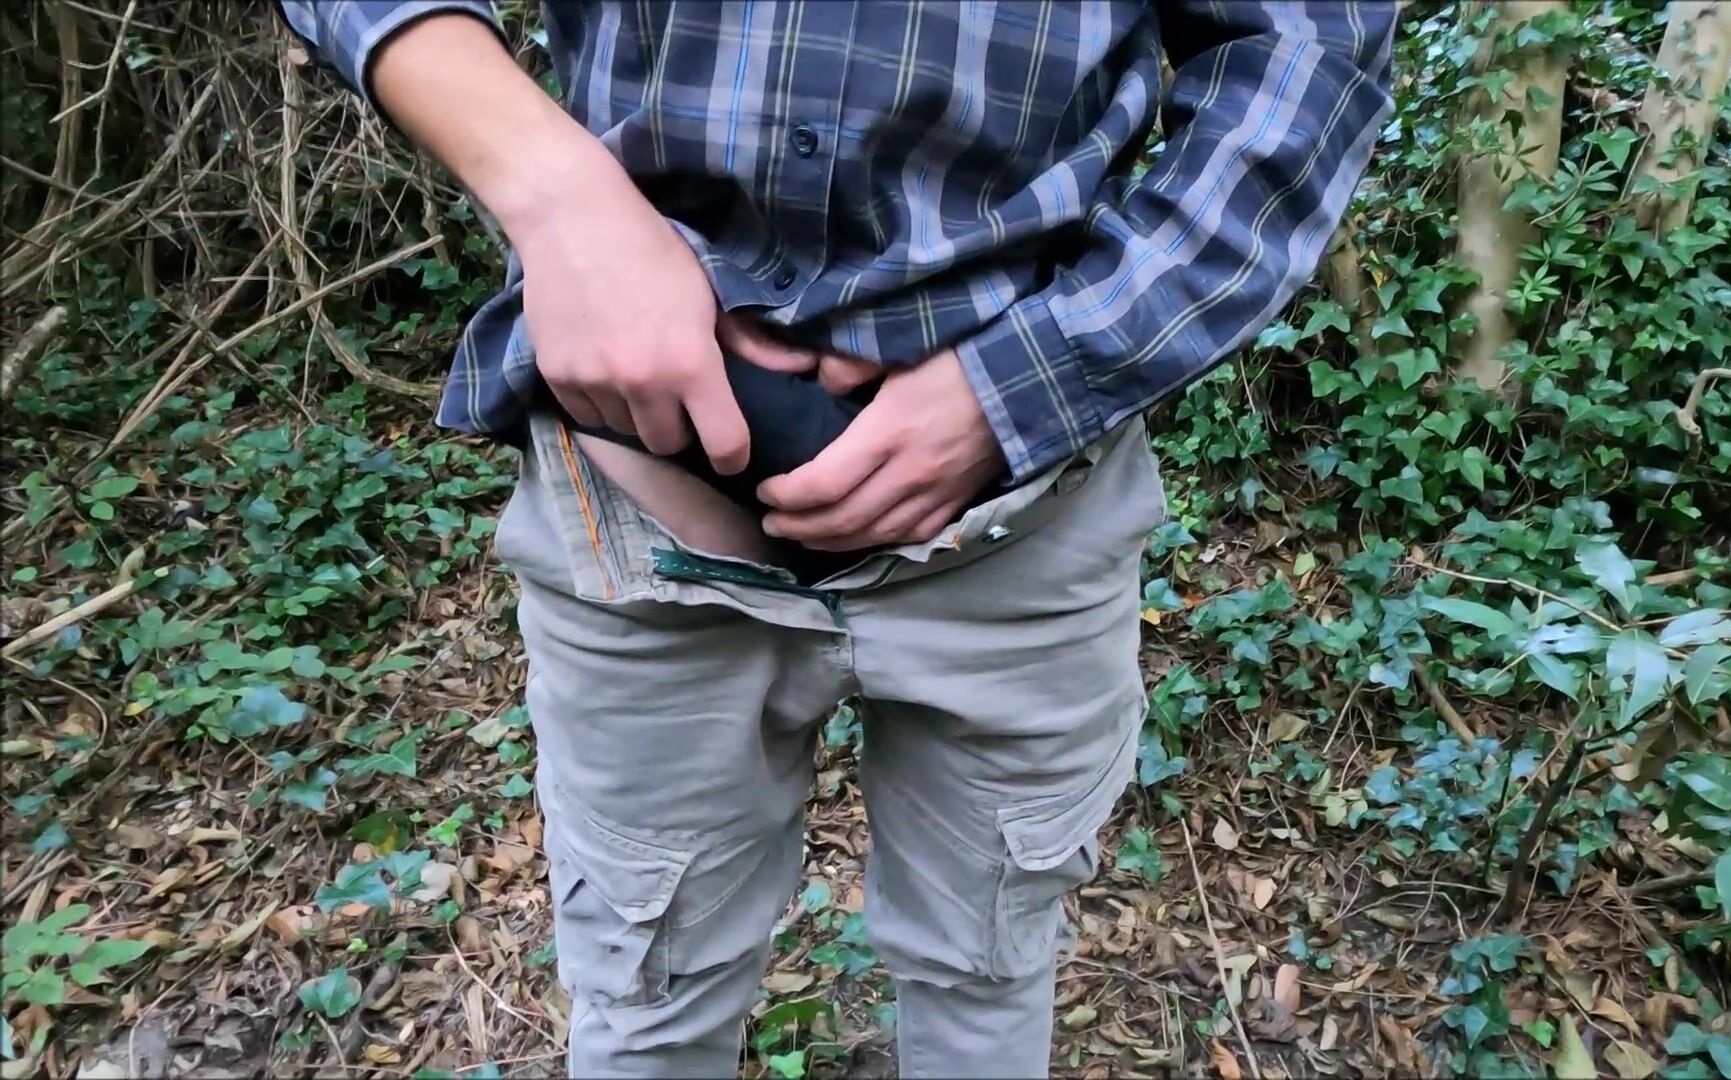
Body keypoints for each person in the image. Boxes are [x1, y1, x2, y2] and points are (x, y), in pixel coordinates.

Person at [278, 3, 1393, 1076]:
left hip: (1023, 519)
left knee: (985, 983)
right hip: (641, 525)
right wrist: (559, 195)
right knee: (645, 1006)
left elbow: (1306, 48)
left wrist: (1033, 380)